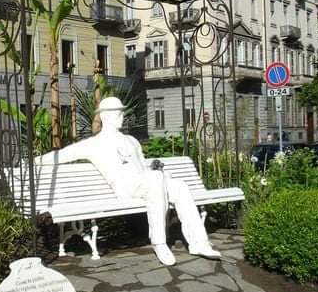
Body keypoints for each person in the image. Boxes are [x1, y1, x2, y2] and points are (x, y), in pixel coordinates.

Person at [36, 97, 221, 266]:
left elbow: (143, 168)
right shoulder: (94, 144)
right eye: (118, 112)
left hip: (145, 183)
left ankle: (199, 242)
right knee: (155, 179)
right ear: (106, 116)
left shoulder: (132, 141)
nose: (122, 116)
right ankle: (159, 241)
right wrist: (35, 161)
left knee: (179, 186)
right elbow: (63, 155)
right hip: (125, 187)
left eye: (122, 112)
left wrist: (161, 177)